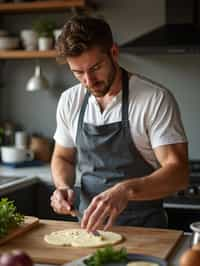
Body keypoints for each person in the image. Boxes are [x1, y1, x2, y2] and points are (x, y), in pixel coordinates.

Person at [50, 15, 189, 232]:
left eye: (95, 68)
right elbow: (63, 157)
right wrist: (63, 187)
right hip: (89, 231)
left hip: (146, 232)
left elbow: (178, 173)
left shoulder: (154, 99)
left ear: (114, 52)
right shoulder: (70, 100)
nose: (88, 81)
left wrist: (125, 190)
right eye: (78, 73)